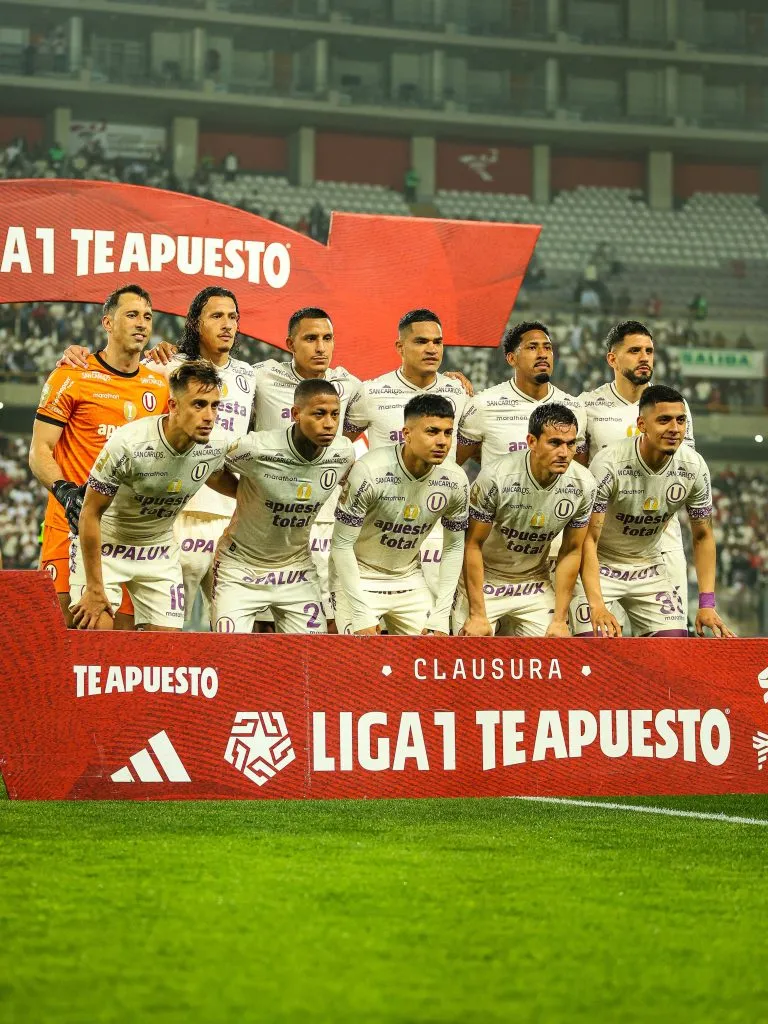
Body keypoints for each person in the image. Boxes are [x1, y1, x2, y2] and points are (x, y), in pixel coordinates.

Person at [57, 286, 256, 627]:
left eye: (233, 317)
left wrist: (257, 500)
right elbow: (123, 362)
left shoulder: (252, 377)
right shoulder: (164, 367)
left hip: (207, 525)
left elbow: (220, 468)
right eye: (217, 316)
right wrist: (79, 356)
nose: (227, 324)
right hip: (162, 519)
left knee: (213, 633)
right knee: (99, 636)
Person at [29, 284, 169, 627]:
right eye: (132, 315)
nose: (142, 324)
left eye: (147, 317)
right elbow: (39, 451)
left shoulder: (160, 384)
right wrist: (64, 491)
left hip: (129, 534)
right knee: (71, 639)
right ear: (107, 322)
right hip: (71, 523)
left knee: (121, 650)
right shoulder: (71, 375)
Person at [69, 361, 233, 631]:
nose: (209, 416)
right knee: (96, 640)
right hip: (106, 545)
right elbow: (89, 512)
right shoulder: (129, 443)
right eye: (198, 405)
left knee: (165, 652)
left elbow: (217, 476)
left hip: (157, 551)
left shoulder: (215, 445)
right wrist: (95, 588)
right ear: (173, 406)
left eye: (215, 406)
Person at [573, 384, 734, 639]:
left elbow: (703, 536)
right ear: (642, 424)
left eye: (680, 420)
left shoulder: (694, 467)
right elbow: (587, 539)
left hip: (649, 566)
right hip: (600, 564)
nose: (674, 429)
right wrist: (597, 605)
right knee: (594, 648)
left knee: (673, 651)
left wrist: (706, 604)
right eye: (664, 420)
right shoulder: (609, 464)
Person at [343, 308, 472, 596]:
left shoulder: (458, 391)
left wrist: (446, 470)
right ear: (400, 347)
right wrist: (351, 478)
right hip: (382, 526)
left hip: (437, 524)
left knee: (433, 626)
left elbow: (469, 445)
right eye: (421, 342)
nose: (431, 349)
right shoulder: (371, 392)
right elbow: (340, 443)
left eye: (437, 342)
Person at [211, 379, 355, 634]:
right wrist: (242, 494)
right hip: (240, 568)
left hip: (296, 569)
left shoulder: (343, 453)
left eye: (335, 414)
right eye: (319, 414)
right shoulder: (256, 448)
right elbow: (211, 466)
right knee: (230, 655)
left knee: (310, 660)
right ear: (295, 414)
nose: (330, 423)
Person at [577, 321, 695, 626]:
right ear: (612, 359)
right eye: (634, 351)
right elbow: (577, 472)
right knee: (604, 643)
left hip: (660, 539)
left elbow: (685, 468)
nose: (644, 357)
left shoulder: (673, 407)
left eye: (649, 351)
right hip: (603, 544)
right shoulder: (587, 405)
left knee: (671, 642)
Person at [331, 394, 468, 636]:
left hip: (408, 578)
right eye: (432, 431)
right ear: (407, 434)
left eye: (448, 433)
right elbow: (341, 544)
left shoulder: (455, 479)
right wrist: (361, 612)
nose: (442, 441)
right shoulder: (370, 471)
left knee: (431, 658)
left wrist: (441, 613)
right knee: (358, 663)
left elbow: (454, 548)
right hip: (359, 575)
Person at [455, 404, 595, 638]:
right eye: (555, 443)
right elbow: (471, 545)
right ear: (531, 441)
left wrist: (560, 620)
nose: (564, 452)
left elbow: (571, 551)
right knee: (470, 660)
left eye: (571, 444)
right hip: (487, 581)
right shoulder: (496, 477)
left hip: (534, 583)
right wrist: (478, 614)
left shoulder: (584, 484)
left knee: (556, 655)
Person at [457, 320, 585, 471]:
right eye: (532, 347)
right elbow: (450, 465)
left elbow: (578, 472)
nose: (543, 354)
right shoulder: (483, 404)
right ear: (512, 359)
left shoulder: (574, 407)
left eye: (547, 348)